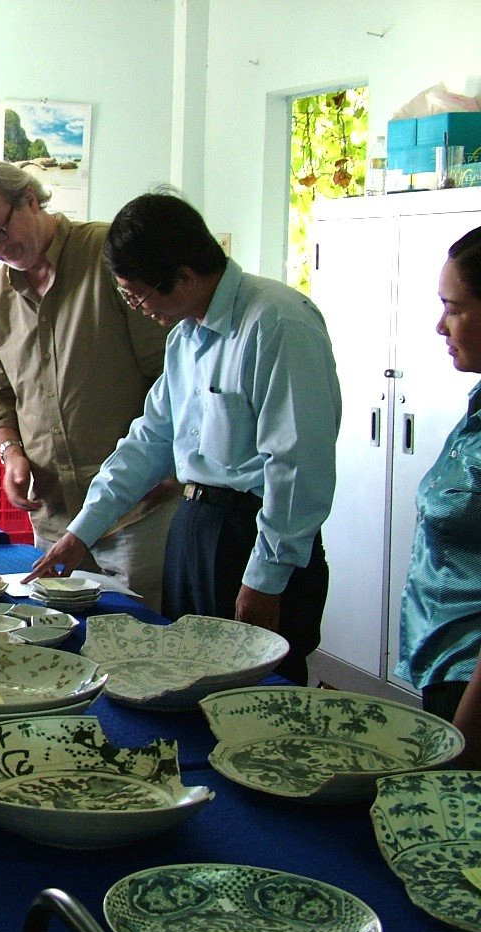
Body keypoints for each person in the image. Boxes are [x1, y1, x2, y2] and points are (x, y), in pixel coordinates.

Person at [36, 191, 341, 686]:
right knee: (185, 682)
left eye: (139, 295)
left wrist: (265, 577)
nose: (139, 308)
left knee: (259, 691)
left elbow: (297, 464)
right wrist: (81, 532)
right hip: (195, 528)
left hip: (254, 536)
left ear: (183, 273)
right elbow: (148, 442)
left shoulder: (277, 322)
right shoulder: (186, 337)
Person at [0, 161, 176, 610]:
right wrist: (11, 454)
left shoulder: (110, 255)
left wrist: (169, 465)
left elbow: (172, 374)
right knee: (61, 650)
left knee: (140, 650)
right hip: (53, 516)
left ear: (30, 200)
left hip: (135, 514)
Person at [398, 226, 481, 734]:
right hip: (445, 666)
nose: (439, 325)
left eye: (454, 307)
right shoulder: (476, 407)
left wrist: (469, 737)